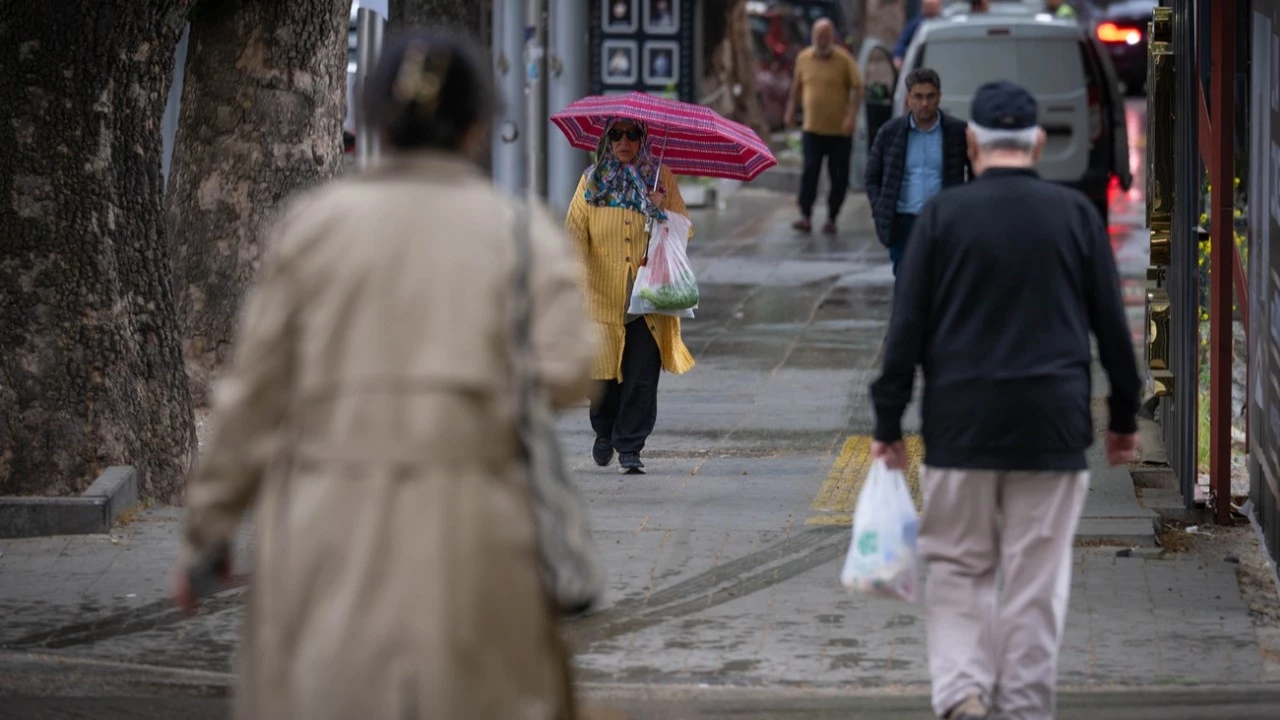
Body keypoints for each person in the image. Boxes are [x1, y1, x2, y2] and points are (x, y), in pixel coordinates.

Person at [173, 29, 594, 720]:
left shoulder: (313, 228)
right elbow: (571, 369)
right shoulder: (520, 234)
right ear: (477, 127)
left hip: (322, 515)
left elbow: (252, 398)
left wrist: (207, 529)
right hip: (475, 515)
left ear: (372, 120)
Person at [869, 80, 1140, 720]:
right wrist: (1123, 417)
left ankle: (963, 693)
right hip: (1053, 429)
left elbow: (904, 332)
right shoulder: (1076, 215)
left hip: (960, 429)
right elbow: (1112, 328)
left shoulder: (941, 218)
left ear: (973, 143)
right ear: (1039, 142)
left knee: (960, 571)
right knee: (1035, 584)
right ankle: (1022, 708)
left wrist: (888, 425)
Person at [566, 118, 695, 475]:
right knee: (601, 376)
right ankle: (604, 431)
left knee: (641, 376)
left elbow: (686, 228)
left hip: (647, 298)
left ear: (643, 138)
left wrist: (662, 210)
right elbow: (574, 233)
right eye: (616, 134)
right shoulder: (591, 181)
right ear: (607, 139)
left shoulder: (661, 178)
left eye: (633, 134)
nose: (625, 141)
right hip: (601, 296)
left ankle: (630, 445)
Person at [865, 68, 970, 276]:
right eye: (918, 97)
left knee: (942, 284)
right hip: (903, 222)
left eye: (930, 96)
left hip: (943, 222)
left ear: (939, 97)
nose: (924, 103)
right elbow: (872, 176)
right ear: (908, 99)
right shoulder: (890, 133)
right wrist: (880, 209)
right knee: (906, 284)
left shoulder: (957, 132)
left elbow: (977, 171)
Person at [784, 17, 864, 235]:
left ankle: (832, 217)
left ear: (832, 37)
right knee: (810, 171)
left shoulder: (843, 59)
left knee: (838, 176)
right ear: (813, 37)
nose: (822, 40)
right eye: (819, 36)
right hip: (812, 127)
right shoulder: (803, 58)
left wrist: (851, 116)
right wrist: (791, 109)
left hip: (839, 130)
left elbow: (859, 87)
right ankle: (806, 215)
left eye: (826, 36)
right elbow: (796, 86)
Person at [892, 0, 942, 69]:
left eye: (933, 7)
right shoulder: (915, 24)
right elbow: (902, 42)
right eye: (928, 6)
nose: (931, 9)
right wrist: (898, 57)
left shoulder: (944, 23)